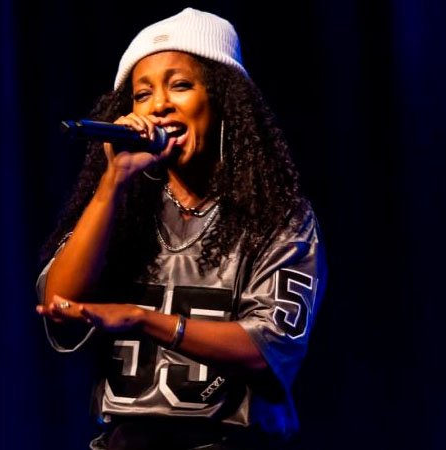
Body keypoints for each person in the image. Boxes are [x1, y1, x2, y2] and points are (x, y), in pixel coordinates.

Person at [35, 7, 328, 450]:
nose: (158, 105)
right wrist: (113, 183)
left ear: (223, 100)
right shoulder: (123, 209)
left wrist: (142, 319)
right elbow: (60, 303)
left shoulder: (277, 216)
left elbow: (270, 348)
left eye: (180, 85)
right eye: (142, 94)